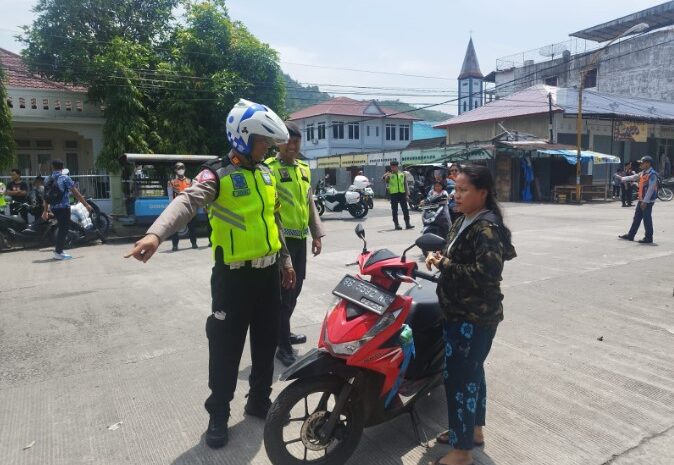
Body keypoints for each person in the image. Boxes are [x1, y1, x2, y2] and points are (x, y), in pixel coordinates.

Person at [125, 99, 296, 450]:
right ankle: (218, 414)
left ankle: (258, 400)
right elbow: (186, 203)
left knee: (265, 343)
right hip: (232, 280)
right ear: (245, 138)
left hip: (267, 276)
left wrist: (286, 261)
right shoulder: (216, 174)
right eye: (265, 142)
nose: (268, 149)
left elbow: (274, 220)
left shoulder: (265, 173)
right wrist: (156, 233)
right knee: (226, 349)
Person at [425, 164, 516, 465]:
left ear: (483, 193)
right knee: (472, 373)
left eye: (464, 190)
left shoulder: (486, 228)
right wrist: (439, 256)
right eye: (455, 188)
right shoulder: (465, 218)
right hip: (460, 313)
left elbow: (486, 274)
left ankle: (462, 452)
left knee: (460, 380)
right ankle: (471, 432)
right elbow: (455, 255)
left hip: (473, 318)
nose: (456, 194)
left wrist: (444, 266)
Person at [266, 121, 325, 367]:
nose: (292, 145)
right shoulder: (268, 169)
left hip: (300, 239)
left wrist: (317, 233)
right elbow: (270, 209)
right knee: (284, 293)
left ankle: (283, 331)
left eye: (296, 141)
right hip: (281, 241)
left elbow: (309, 202)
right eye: (288, 140)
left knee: (296, 289)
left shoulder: (303, 168)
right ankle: (281, 344)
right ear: (278, 142)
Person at [41, 160, 92, 260]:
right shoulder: (65, 178)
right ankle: (58, 252)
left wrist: (45, 211)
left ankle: (59, 249)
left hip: (54, 208)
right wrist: (86, 205)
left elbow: (46, 197)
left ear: (52, 167)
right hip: (64, 207)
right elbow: (76, 193)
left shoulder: (47, 179)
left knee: (62, 228)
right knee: (63, 230)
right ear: (62, 167)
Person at [619, 156, 659, 244]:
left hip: (647, 201)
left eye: (643, 163)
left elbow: (651, 189)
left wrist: (645, 201)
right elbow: (634, 177)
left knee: (646, 219)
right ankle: (631, 235)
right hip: (641, 200)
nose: (641, 164)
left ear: (648, 163)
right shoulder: (643, 173)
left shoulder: (652, 174)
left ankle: (648, 238)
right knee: (636, 218)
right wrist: (622, 178)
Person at [167, 162, 198, 251]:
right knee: (175, 228)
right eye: (178, 168)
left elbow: (194, 194)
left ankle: (194, 243)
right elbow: (170, 196)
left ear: (184, 169)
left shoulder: (190, 181)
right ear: (175, 170)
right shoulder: (171, 182)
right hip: (177, 207)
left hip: (189, 206)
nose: (180, 169)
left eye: (182, 167)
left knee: (192, 226)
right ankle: (175, 245)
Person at [382, 160, 413, 230]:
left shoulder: (402, 174)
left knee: (405, 209)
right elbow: (384, 180)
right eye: (392, 167)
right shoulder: (389, 174)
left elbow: (405, 184)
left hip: (402, 193)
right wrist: (386, 176)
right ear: (390, 167)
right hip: (394, 194)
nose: (393, 168)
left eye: (394, 167)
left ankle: (407, 224)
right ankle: (397, 224)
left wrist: (407, 194)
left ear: (397, 166)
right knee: (394, 210)